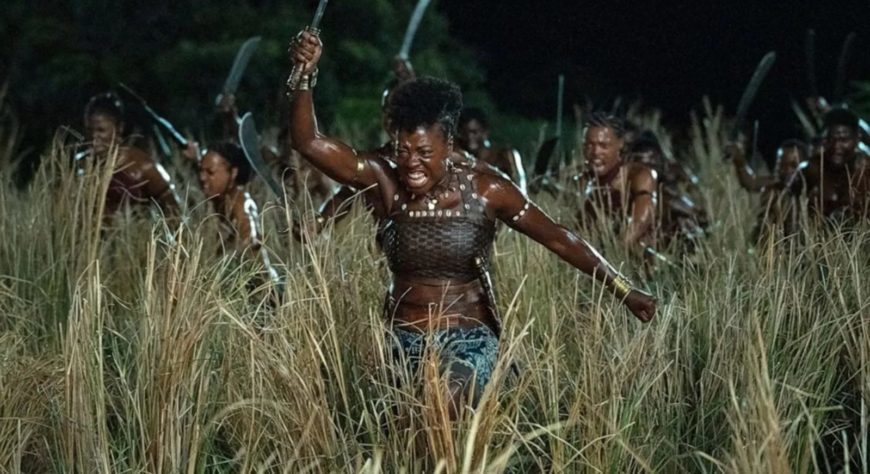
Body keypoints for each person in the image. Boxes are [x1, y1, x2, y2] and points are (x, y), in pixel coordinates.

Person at [288, 31, 656, 421]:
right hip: (402, 340)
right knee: (408, 430)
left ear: (449, 145)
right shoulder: (383, 176)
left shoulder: (486, 190)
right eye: (403, 151)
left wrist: (623, 290)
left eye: (424, 153)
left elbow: (558, 239)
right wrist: (303, 74)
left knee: (440, 401)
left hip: (468, 340)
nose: (411, 163)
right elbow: (308, 142)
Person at [81, 92, 181, 218]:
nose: (94, 137)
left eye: (101, 130)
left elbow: (174, 213)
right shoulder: (81, 168)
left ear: (119, 128)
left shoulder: (143, 167)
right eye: (89, 130)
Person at [577, 113, 658, 253]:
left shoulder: (637, 175)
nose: (595, 152)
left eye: (604, 145)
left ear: (620, 144)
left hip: (632, 259)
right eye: (589, 145)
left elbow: (641, 220)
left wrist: (615, 252)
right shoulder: (580, 179)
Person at [628, 131, 707, 249]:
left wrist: (691, 209)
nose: (650, 163)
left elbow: (695, 194)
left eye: (653, 158)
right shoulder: (630, 184)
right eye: (643, 160)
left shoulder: (671, 174)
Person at [727, 139, 808, 244]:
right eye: (781, 165)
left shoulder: (810, 189)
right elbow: (750, 183)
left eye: (793, 166)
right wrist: (739, 161)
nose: (786, 170)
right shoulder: (774, 185)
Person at [804, 108, 870, 222]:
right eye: (831, 139)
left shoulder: (866, 171)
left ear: (857, 138)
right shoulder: (813, 168)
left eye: (843, 140)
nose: (836, 146)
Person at [457, 107, 528, 193]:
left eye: (474, 132)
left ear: (485, 132)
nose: (469, 137)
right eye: (464, 133)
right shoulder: (460, 159)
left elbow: (521, 189)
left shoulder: (505, 156)